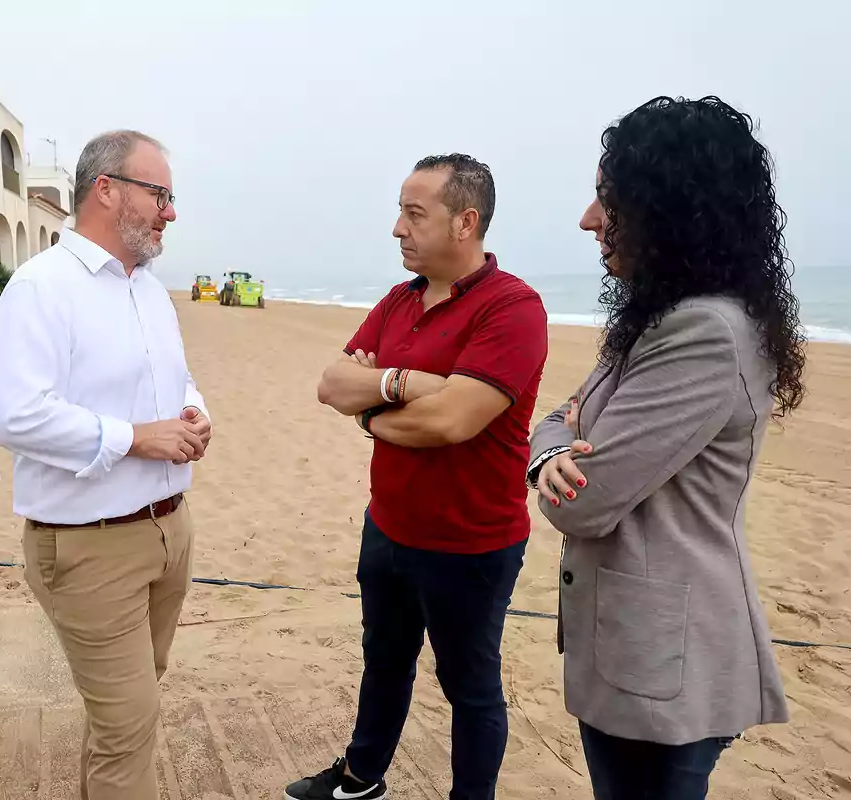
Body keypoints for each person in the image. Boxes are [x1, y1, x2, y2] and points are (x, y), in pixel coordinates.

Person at [528, 96, 806, 800]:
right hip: (641, 654)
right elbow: (559, 417)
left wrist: (558, 442)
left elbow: (582, 503)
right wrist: (549, 444)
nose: (589, 221)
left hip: (666, 671)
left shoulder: (703, 331)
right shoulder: (662, 319)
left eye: (607, 200)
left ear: (671, 206)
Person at [286, 155, 548, 800]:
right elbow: (332, 384)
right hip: (390, 524)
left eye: (413, 213)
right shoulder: (398, 300)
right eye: (400, 211)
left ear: (466, 221)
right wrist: (405, 385)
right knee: (385, 661)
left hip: (471, 542)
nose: (396, 228)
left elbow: (451, 422)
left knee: (471, 687)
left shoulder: (513, 307)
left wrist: (374, 409)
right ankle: (359, 777)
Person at [0, 130, 209, 800]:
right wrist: (135, 438)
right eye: (159, 194)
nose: (171, 212)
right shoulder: (41, 289)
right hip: (89, 548)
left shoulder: (148, 290)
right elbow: (15, 415)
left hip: (169, 530)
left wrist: (196, 415)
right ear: (105, 190)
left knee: (127, 713)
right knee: (129, 726)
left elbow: (176, 379)